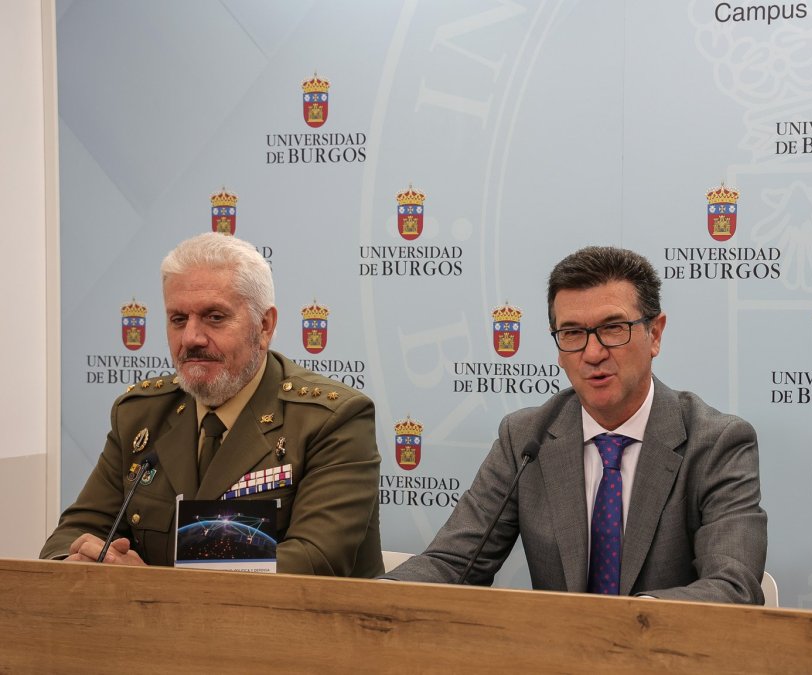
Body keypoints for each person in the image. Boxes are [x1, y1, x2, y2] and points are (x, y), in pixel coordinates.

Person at [381, 246, 767, 603]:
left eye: (613, 328)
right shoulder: (525, 438)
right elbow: (453, 564)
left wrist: (631, 621)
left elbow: (732, 586)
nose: (593, 353)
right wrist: (377, 595)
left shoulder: (717, 442)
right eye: (572, 333)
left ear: (655, 334)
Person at [42, 232, 383, 577]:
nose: (191, 338)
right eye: (178, 319)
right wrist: (82, 561)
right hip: (152, 627)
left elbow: (313, 561)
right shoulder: (140, 415)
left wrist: (150, 581)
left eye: (215, 317)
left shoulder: (331, 419)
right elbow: (72, 534)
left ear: (264, 326)